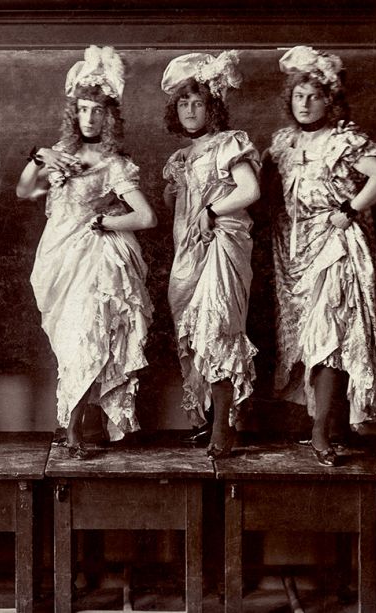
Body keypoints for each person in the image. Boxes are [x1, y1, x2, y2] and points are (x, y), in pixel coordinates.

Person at [17, 45, 156, 459]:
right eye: (83, 109)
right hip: (58, 257)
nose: (90, 117)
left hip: (95, 258)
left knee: (88, 336)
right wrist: (39, 156)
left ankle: (75, 428)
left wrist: (106, 222)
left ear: (109, 115)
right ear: (73, 113)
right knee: (69, 340)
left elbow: (145, 216)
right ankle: (76, 424)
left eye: (98, 110)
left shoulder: (114, 163)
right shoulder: (61, 155)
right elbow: (25, 191)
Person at [269, 46, 376, 466]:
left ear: (329, 98)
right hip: (294, 245)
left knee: (333, 335)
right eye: (298, 96)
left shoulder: (345, 140)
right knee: (309, 338)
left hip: (337, 243)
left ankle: (321, 431)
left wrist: (348, 210)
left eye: (313, 96)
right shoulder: (284, 144)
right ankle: (331, 425)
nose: (304, 104)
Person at [161, 51, 261, 459]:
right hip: (188, 251)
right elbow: (180, 208)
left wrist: (212, 209)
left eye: (197, 102)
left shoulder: (229, 143)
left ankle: (224, 428)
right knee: (193, 333)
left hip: (222, 243)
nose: (189, 110)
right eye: (183, 103)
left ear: (212, 106)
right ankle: (205, 420)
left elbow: (250, 191)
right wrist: (176, 195)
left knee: (216, 326)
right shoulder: (181, 157)